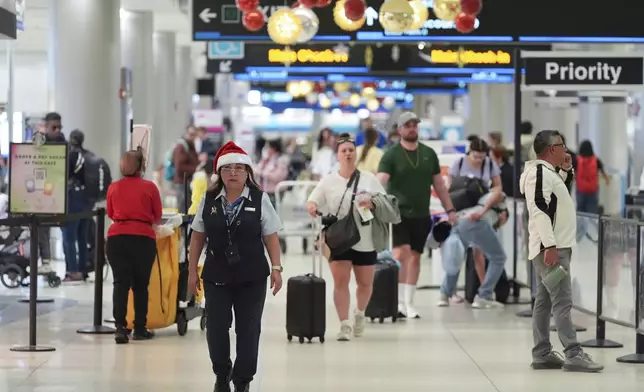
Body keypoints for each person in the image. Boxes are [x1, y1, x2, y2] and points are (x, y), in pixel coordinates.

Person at [188, 141, 283, 392]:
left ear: (247, 172)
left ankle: (242, 381)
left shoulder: (260, 199)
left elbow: (270, 234)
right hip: (216, 274)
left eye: (238, 168)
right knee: (216, 328)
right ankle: (222, 374)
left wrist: (277, 267)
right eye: (227, 168)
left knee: (248, 329)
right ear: (219, 172)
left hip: (252, 275)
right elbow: (198, 235)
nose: (233, 173)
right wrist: (191, 271)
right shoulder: (208, 199)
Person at [519, 130, 603, 372]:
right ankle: (573, 352)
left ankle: (542, 353)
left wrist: (566, 172)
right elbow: (540, 210)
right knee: (563, 302)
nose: (566, 150)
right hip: (551, 249)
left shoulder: (548, 173)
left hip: (556, 245)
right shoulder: (537, 173)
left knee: (544, 302)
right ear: (550, 149)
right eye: (562, 145)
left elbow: (558, 200)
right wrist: (550, 245)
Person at [307, 134, 391, 341]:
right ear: (337, 155)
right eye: (343, 150)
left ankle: (360, 313)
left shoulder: (369, 179)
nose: (347, 154)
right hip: (339, 238)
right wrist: (313, 207)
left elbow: (384, 201)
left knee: (365, 282)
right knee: (340, 282)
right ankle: (344, 324)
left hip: (364, 238)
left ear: (356, 153)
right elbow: (313, 200)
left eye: (351, 150)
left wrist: (372, 204)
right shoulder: (328, 181)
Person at [377, 112, 457, 319]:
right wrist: (372, 200)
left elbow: (439, 185)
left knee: (415, 257)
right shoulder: (391, 155)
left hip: (422, 214)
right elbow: (381, 181)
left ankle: (409, 302)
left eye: (415, 125)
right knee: (400, 254)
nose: (412, 128)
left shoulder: (429, 154)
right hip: (398, 213)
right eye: (407, 125)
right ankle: (398, 301)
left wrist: (450, 210)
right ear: (400, 130)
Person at [106, 149, 162, 344]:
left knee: (120, 284)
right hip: (143, 239)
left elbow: (111, 213)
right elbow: (157, 216)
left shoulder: (113, 187)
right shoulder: (150, 187)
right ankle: (139, 328)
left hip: (116, 239)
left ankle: (120, 328)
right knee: (140, 286)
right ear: (141, 166)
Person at [438, 192, 509, 308]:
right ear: (503, 215)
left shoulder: (481, 198)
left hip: (460, 220)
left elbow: (477, 256)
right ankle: (484, 296)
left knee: (456, 257)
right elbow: (498, 195)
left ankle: (444, 294)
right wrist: (482, 212)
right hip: (477, 220)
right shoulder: (500, 198)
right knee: (499, 257)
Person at [61, 130, 93, 282]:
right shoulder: (90, 156)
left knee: (69, 236)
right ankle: (83, 270)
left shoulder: (69, 156)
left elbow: (63, 176)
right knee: (82, 237)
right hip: (88, 201)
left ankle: (72, 272)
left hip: (73, 198)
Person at [575, 140, 610, 213]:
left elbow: (573, 173)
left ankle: (580, 224)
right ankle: (592, 224)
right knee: (592, 213)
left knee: (580, 212)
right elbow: (603, 172)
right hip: (593, 190)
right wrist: (607, 180)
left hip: (581, 190)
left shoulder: (577, 160)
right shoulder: (596, 160)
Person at [171, 126, 200, 212]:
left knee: (187, 208)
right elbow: (179, 167)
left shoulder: (190, 146)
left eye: (195, 135)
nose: (193, 137)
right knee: (183, 210)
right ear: (186, 134)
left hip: (188, 182)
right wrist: (195, 168)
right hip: (182, 183)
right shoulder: (181, 147)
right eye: (191, 134)